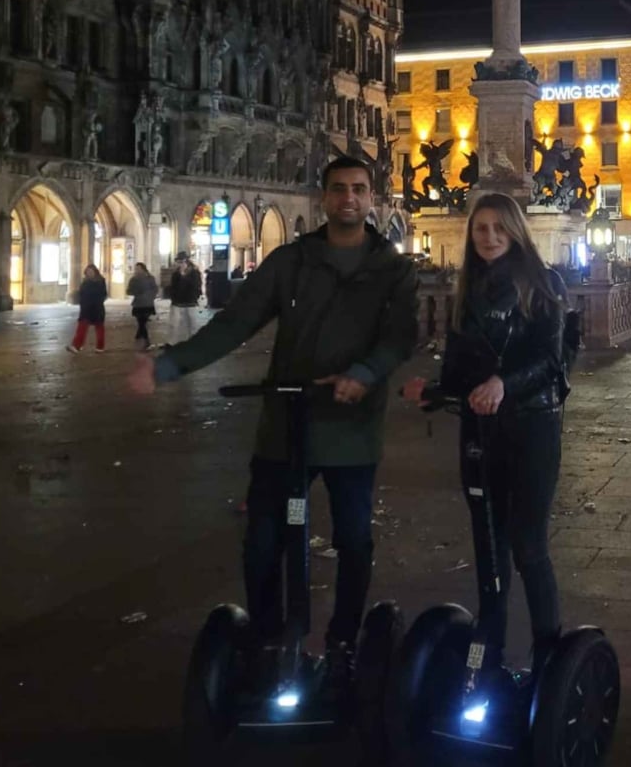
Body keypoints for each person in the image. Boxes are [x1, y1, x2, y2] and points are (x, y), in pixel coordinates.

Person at [127, 156, 418, 692]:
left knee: (354, 539)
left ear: (371, 198)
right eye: (338, 189)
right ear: (324, 197)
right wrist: (169, 365)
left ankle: (344, 642)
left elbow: (400, 334)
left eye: (358, 190)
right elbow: (235, 322)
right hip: (287, 427)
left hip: (350, 430)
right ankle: (267, 637)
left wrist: (365, 372)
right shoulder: (292, 261)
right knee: (263, 539)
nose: (348, 198)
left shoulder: (392, 268)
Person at [402, 192, 571, 687]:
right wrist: (432, 391)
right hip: (480, 433)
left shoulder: (544, 284)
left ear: (516, 231)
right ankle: (489, 644)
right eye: (481, 229)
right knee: (489, 544)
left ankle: (547, 652)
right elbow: (459, 369)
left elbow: (552, 363)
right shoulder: (466, 292)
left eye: (499, 228)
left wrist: (505, 384)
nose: (490, 237)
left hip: (533, 427)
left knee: (528, 545)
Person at [68, 265, 108, 353]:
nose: (89, 273)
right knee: (82, 327)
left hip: (96, 308)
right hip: (86, 308)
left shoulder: (100, 281)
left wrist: (97, 302)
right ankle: (77, 345)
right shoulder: (85, 282)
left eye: (91, 271)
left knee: (99, 327)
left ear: (95, 272)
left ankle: (99, 347)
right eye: (88, 272)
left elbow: (103, 294)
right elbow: (82, 294)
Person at [168, 254, 202, 340]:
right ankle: (173, 342)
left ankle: (192, 341)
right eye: (178, 262)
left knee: (192, 324)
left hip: (190, 301)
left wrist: (183, 276)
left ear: (187, 262)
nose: (180, 264)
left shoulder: (194, 273)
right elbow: (174, 287)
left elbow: (196, 285)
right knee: (174, 324)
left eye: (181, 262)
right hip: (177, 302)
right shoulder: (176, 274)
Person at [127, 262, 159, 349]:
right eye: (136, 269)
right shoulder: (133, 279)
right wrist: (135, 292)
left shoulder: (150, 278)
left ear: (143, 269)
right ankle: (141, 337)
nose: (137, 270)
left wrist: (151, 295)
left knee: (142, 322)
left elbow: (155, 288)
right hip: (138, 304)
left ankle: (145, 341)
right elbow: (129, 291)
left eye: (139, 268)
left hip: (147, 304)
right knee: (141, 322)